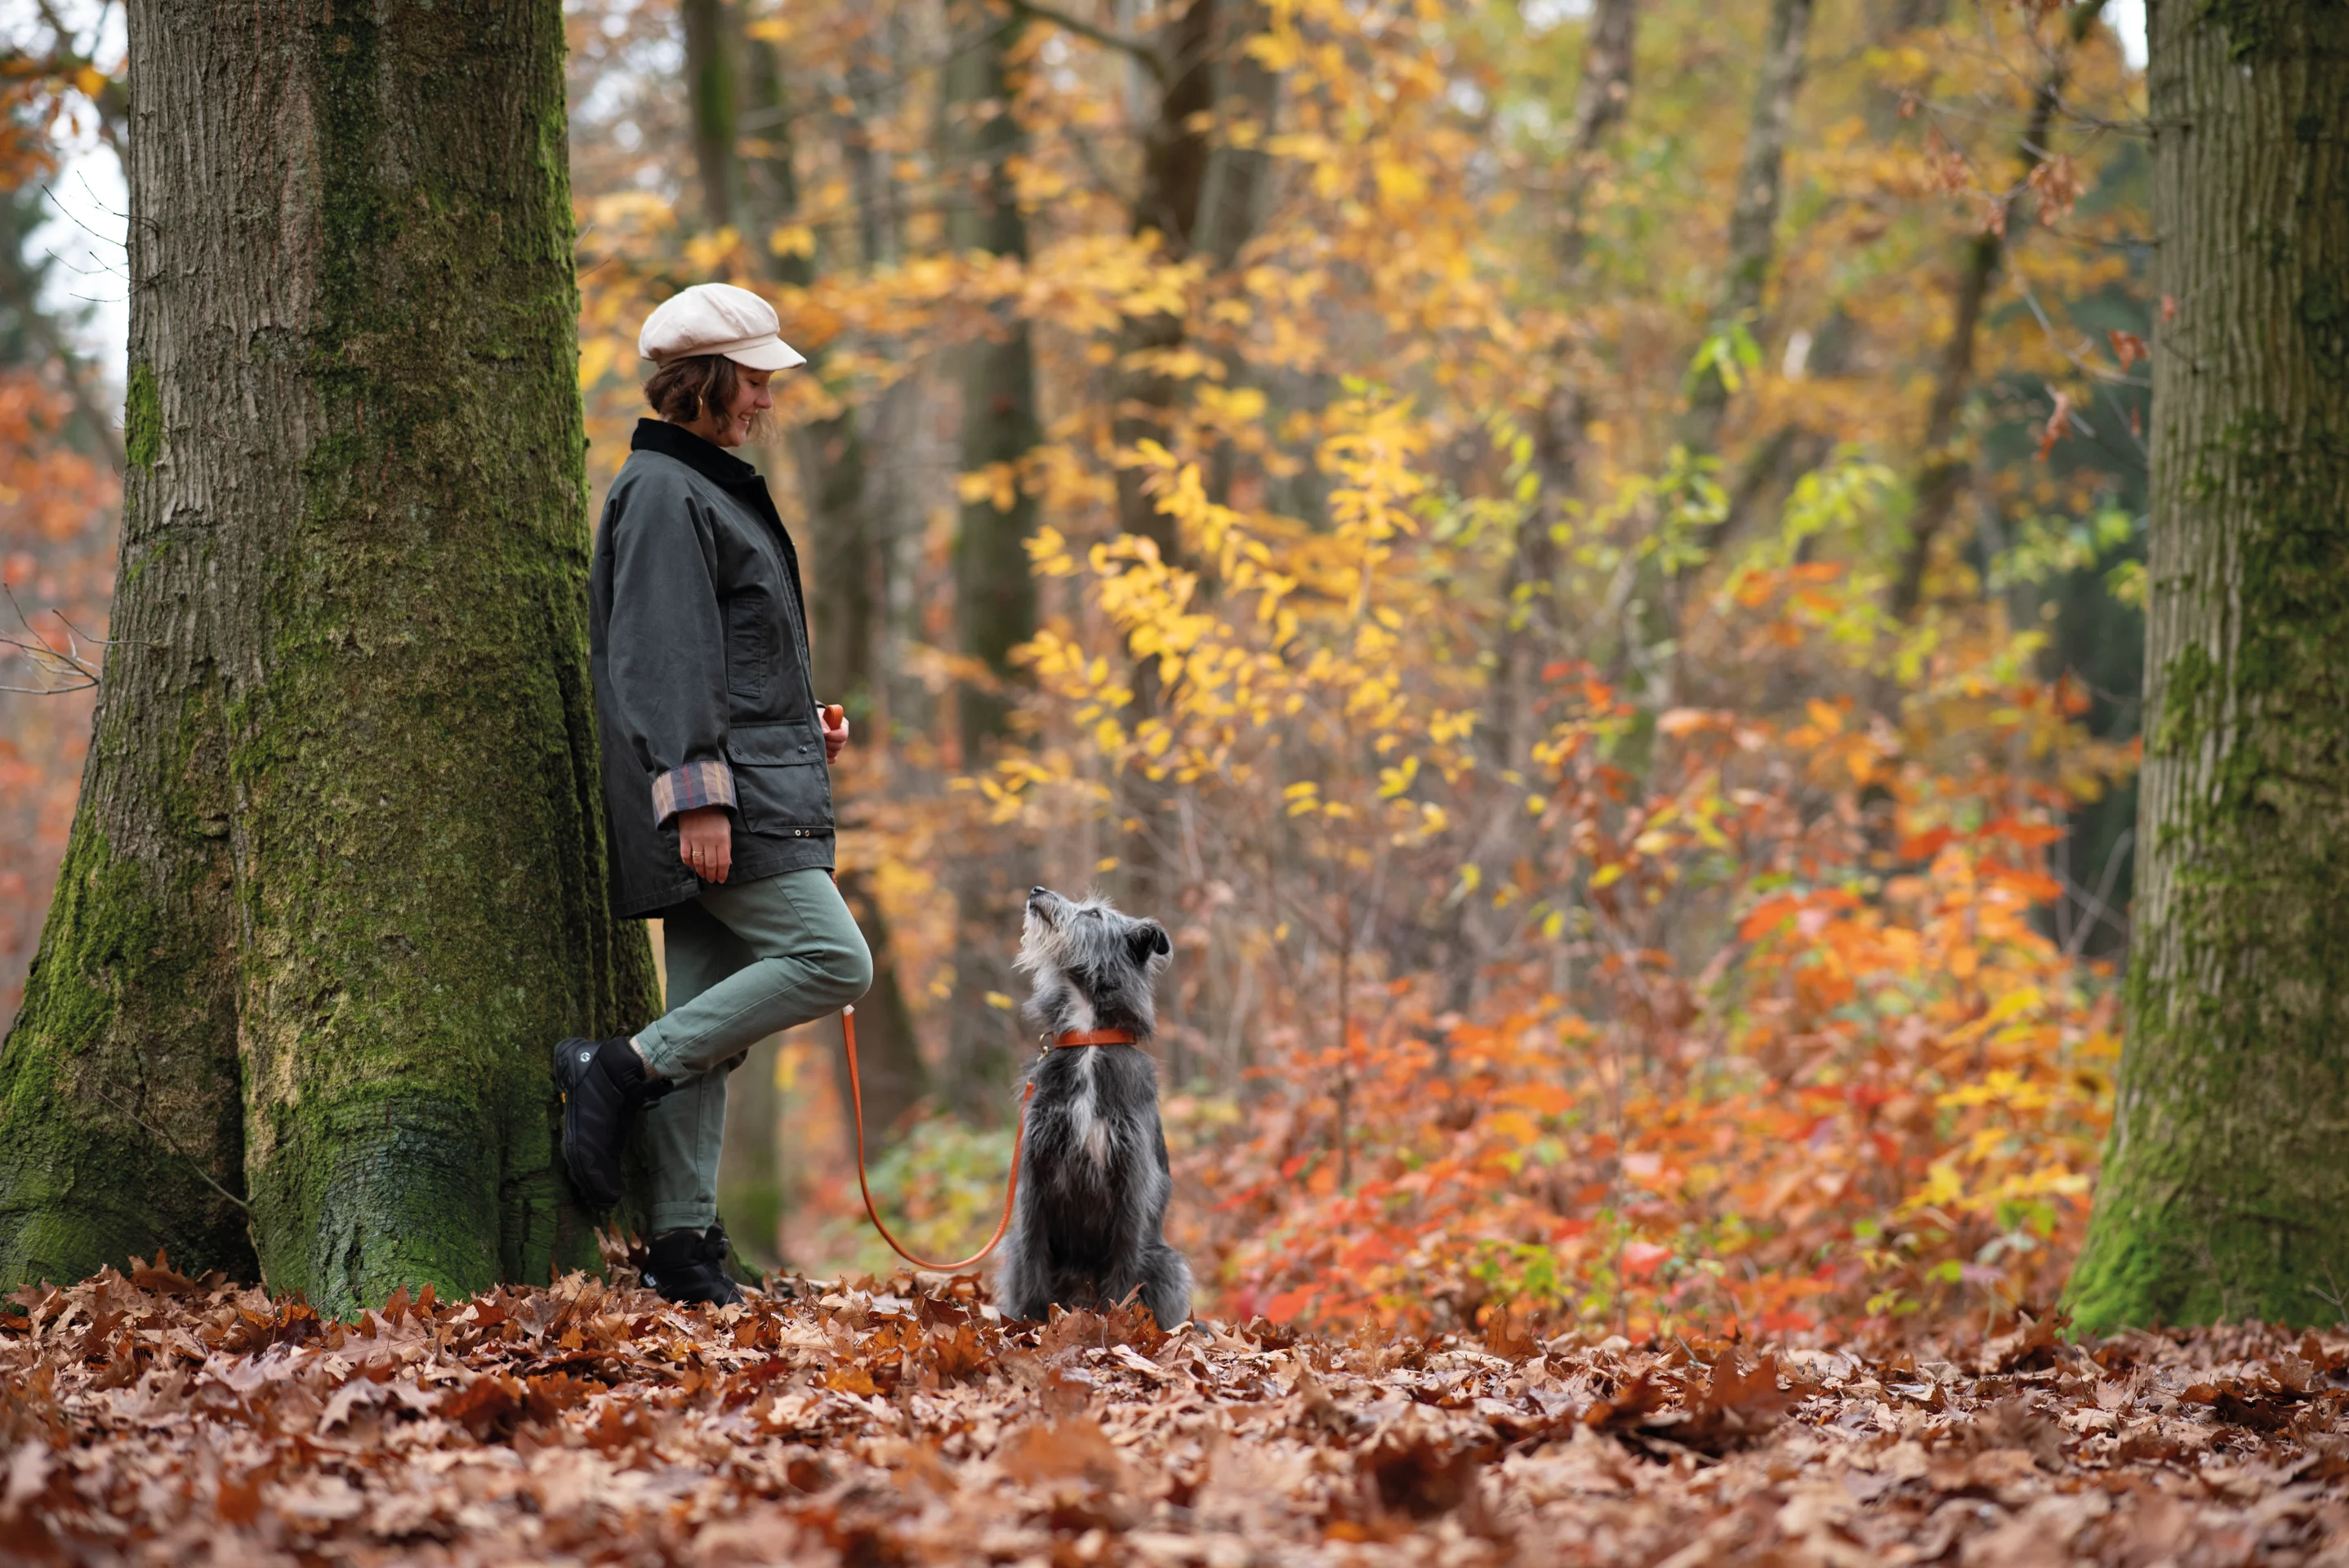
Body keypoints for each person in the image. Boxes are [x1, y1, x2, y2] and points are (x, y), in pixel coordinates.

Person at [555, 283, 872, 1305]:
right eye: (755, 379)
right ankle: (616, 1067)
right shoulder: (661, 492)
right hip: (720, 806)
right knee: (834, 959)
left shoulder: (707, 485)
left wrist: (799, 721)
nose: (767, 399)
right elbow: (661, 658)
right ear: (707, 382)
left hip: (752, 785)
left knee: (711, 1018)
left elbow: (725, 658)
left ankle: (683, 1246)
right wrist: (696, 795)